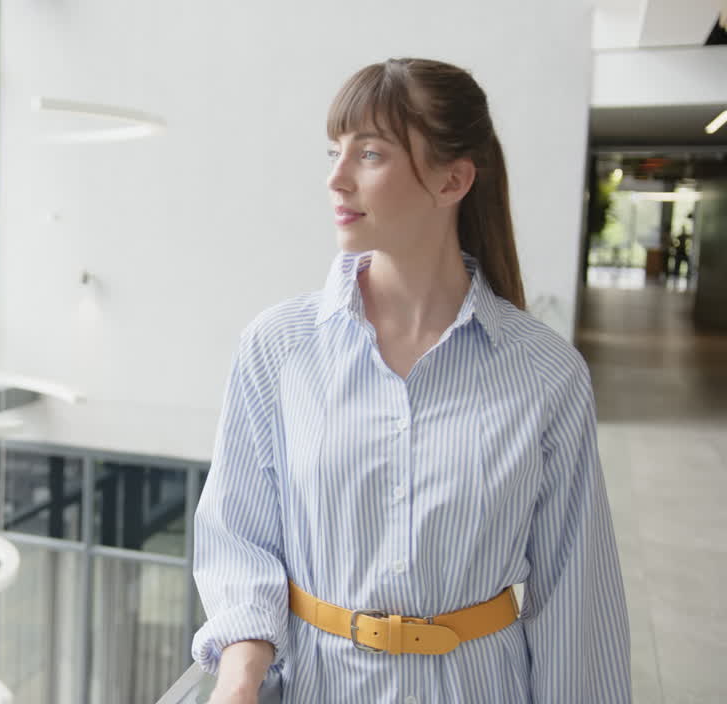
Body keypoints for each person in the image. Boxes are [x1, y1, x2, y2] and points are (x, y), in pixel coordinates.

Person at [192, 58, 631, 703]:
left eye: (369, 153)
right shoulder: (279, 346)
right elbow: (239, 537)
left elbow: (577, 600)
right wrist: (238, 676)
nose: (336, 177)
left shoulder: (546, 372)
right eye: (335, 152)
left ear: (453, 180)